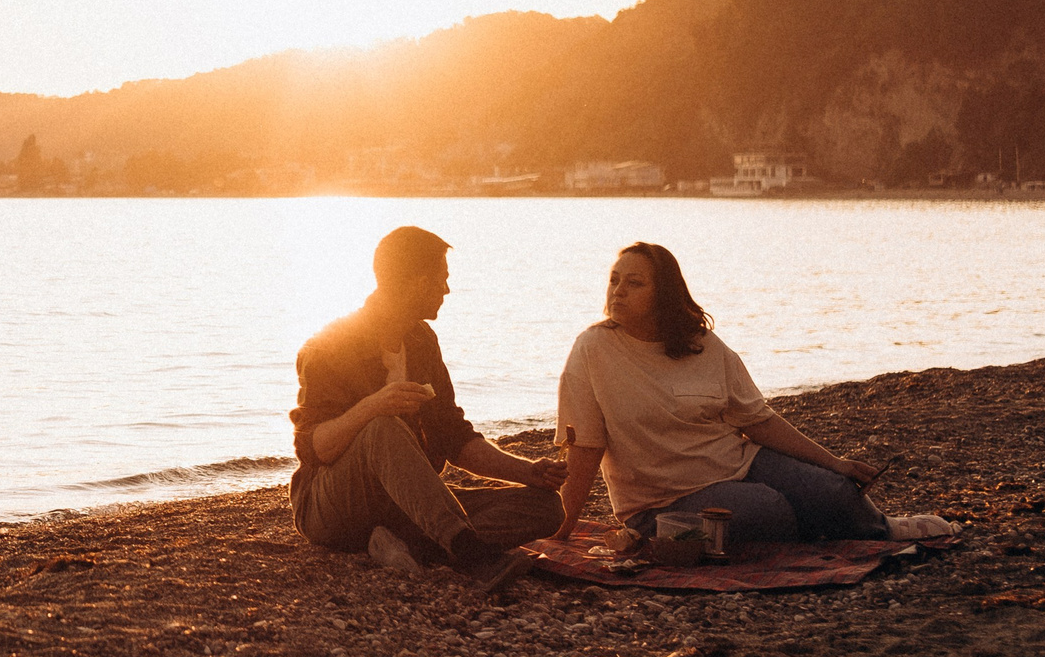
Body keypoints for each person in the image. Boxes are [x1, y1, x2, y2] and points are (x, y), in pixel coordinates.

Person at [551, 243, 952, 545]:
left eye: (634, 283)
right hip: (662, 500)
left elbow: (757, 420)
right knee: (767, 509)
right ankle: (663, 536)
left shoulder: (702, 344)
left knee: (833, 489)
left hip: (739, 463)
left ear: (663, 294)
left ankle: (881, 530)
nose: (618, 290)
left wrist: (835, 463)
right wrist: (561, 528)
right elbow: (585, 447)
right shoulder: (592, 350)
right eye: (614, 279)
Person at [290, 226, 566, 594]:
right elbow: (314, 448)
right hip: (331, 506)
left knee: (546, 508)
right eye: (442, 279)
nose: (447, 290)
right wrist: (373, 405)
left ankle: (407, 545)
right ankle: (471, 554)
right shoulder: (330, 347)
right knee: (382, 426)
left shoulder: (421, 341)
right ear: (419, 283)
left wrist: (527, 471)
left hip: (404, 508)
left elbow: (453, 436)